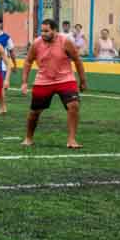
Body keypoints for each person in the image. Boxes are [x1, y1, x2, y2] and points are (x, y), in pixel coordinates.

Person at [21, 19, 88, 149]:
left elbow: (77, 60)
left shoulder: (65, 42)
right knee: (35, 112)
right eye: (42, 31)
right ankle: (28, 138)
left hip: (65, 79)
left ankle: (71, 140)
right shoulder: (36, 43)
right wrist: (24, 82)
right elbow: (28, 61)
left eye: (46, 31)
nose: (43, 34)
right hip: (43, 80)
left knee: (73, 105)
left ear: (55, 31)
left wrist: (83, 81)